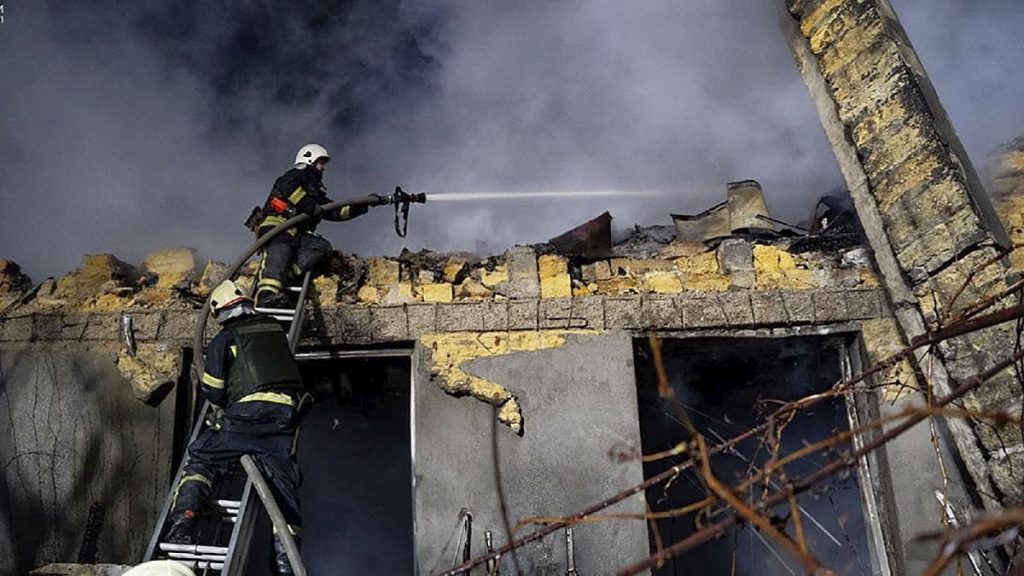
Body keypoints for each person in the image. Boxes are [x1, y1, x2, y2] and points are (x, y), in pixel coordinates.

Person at [164, 279, 306, 575]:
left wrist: (227, 405)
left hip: (246, 419)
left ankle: (184, 520)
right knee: (283, 487)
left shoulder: (225, 339)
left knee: (202, 456)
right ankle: (285, 563)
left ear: (220, 313)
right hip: (283, 419)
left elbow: (213, 390)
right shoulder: (275, 330)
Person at [253, 143, 375, 309]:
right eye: (321, 163)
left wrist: (362, 205)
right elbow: (289, 189)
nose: (323, 168)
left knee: (321, 247)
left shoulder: (314, 191)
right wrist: (309, 205)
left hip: (298, 234)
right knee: (280, 254)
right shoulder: (294, 176)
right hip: (278, 228)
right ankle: (266, 295)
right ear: (309, 160)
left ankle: (287, 275)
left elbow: (334, 212)